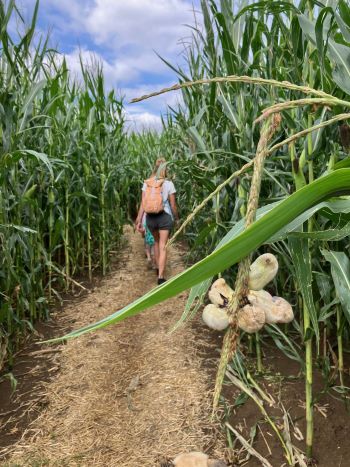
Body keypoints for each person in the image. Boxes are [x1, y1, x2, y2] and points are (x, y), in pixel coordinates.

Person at [135, 158, 179, 285]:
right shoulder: (169, 183)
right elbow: (173, 205)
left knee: (156, 242)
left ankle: (157, 267)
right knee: (163, 245)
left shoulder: (147, 183)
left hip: (150, 218)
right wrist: (177, 218)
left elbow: (143, 204)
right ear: (165, 169)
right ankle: (161, 276)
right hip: (164, 216)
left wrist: (139, 220)